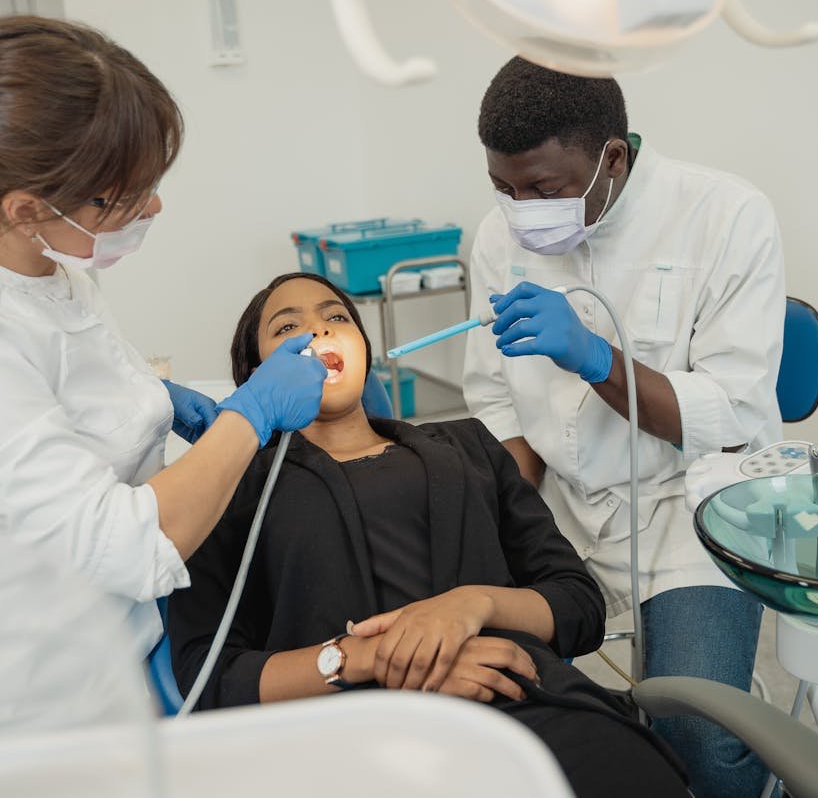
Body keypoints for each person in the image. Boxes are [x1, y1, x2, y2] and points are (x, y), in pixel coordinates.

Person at [0, 16, 325, 736]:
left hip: (116, 654)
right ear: (28, 209)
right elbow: (127, 543)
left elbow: (66, 399)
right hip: (21, 710)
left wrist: (160, 401)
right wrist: (246, 417)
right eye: (121, 196)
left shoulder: (50, 272)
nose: (151, 206)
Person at [168, 273, 690, 798]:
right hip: (353, 741)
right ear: (259, 375)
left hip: (522, 708)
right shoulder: (229, 487)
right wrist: (372, 660)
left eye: (336, 318)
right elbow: (210, 678)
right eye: (288, 327)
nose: (319, 334)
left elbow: (579, 606)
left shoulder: (470, 448)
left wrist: (473, 606)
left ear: (365, 350)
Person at [463, 57, 786, 798]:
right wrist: (496, 528)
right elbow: (497, 404)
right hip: (563, 510)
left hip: (695, 511)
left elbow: (733, 416)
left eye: (543, 188)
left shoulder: (727, 215)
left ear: (613, 157)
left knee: (698, 736)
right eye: (503, 189)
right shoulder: (497, 236)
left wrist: (593, 356)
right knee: (498, 705)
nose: (520, 209)